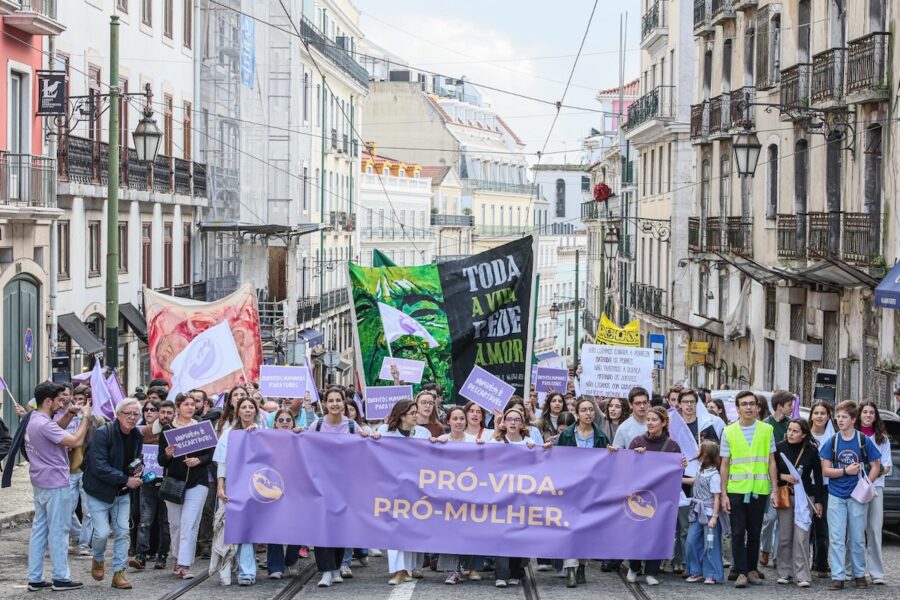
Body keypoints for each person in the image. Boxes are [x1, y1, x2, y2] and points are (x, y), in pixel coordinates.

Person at [26, 381, 92, 592]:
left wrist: (71, 414)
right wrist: (85, 417)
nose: (61, 403)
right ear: (47, 401)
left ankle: (35, 578)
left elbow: (56, 430)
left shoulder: (35, 419)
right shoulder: (44, 423)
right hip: (55, 482)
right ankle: (61, 577)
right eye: (58, 400)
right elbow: (74, 441)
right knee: (59, 530)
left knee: (39, 530)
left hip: (40, 481)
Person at [81, 398, 144, 590]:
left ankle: (119, 573)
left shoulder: (137, 435)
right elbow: (99, 466)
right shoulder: (103, 434)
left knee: (123, 533)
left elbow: (137, 457)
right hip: (98, 491)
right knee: (101, 534)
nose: (132, 418)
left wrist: (138, 468)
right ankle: (98, 559)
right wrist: (126, 479)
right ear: (118, 414)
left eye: (136, 414)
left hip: (122, 493)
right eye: (128, 413)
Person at [819, 400, 881, 590]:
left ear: (853, 419)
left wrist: (866, 484)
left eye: (844, 417)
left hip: (857, 496)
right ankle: (838, 576)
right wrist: (846, 471)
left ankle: (859, 574)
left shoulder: (863, 440)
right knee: (837, 537)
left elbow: (876, 466)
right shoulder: (833, 441)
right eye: (838, 417)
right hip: (836, 495)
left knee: (857, 537)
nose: (840, 420)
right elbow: (826, 471)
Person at [307, 387, 365, 587]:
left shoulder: (352, 427)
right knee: (322, 527)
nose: (334, 404)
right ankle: (325, 571)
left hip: (345, 486)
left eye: (338, 400)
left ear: (343, 403)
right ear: (324, 403)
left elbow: (362, 452)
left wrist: (370, 438)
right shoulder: (317, 425)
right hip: (321, 485)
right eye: (330, 400)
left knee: (340, 527)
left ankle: (337, 567)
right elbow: (305, 449)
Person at [720, 389, 778, 589]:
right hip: (736, 489)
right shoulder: (728, 431)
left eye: (751, 403)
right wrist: (724, 493)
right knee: (737, 532)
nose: (748, 407)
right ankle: (740, 572)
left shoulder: (766, 430)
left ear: (757, 407)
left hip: (759, 489)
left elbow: (771, 461)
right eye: (744, 404)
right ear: (737, 408)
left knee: (755, 532)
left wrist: (775, 489)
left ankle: (752, 569)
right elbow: (725, 464)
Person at [623, 406, 686, 586]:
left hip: (662, 497)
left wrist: (681, 465)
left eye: (654, 420)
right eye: (648, 420)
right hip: (639, 496)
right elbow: (626, 467)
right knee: (637, 531)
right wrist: (636, 457)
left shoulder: (673, 446)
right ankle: (634, 567)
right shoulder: (637, 442)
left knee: (658, 532)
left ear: (664, 422)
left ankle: (652, 570)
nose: (650, 423)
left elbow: (677, 474)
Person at [554, 398, 611, 587]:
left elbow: (608, 466)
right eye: (584, 410)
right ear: (577, 414)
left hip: (592, 491)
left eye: (590, 410)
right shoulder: (567, 435)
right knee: (569, 529)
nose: (588, 413)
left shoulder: (601, 437)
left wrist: (613, 454)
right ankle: (570, 568)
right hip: (571, 489)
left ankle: (582, 566)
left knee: (587, 530)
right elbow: (556, 458)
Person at [158, 393, 215, 579]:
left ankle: (184, 564)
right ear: (178, 407)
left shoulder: (201, 428)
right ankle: (177, 557)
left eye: (192, 404)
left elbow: (210, 455)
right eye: (186, 404)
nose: (190, 407)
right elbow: (161, 462)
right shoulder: (167, 429)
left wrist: (198, 460)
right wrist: (167, 455)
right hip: (175, 484)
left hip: (197, 482)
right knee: (175, 525)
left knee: (189, 524)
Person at [375, 400, 428, 584]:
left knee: (410, 528)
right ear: (402, 415)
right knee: (394, 527)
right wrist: (370, 437)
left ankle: (408, 569)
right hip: (391, 487)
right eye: (413, 412)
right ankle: (398, 570)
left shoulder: (423, 433)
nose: (417, 415)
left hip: (414, 489)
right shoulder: (384, 432)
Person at [433, 406, 484, 585]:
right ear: (448, 421)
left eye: (462, 418)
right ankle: (453, 571)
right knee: (450, 533)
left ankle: (472, 567)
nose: (459, 422)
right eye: (455, 419)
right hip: (447, 496)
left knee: (471, 530)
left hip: (470, 494)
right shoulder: (441, 440)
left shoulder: (474, 441)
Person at [213, 395, 260, 586]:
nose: (247, 410)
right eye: (244, 407)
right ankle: (246, 572)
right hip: (234, 486)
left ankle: (244, 566)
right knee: (238, 528)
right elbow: (222, 462)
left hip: (256, 488)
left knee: (251, 529)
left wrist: (257, 436)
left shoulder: (263, 432)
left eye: (251, 407)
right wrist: (220, 486)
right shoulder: (228, 434)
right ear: (237, 411)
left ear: (256, 411)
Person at [490, 408, 538, 587]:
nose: (512, 422)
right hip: (501, 495)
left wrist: (536, 451)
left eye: (516, 419)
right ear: (504, 422)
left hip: (522, 498)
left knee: (519, 534)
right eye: (509, 419)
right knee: (502, 534)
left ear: (522, 424)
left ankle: (516, 571)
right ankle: (501, 574)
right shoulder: (495, 442)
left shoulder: (529, 442)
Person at [774, 418, 824, 588]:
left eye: (795, 431)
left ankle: (802, 574)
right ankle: (784, 572)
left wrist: (818, 502)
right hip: (785, 495)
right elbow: (771, 472)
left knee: (802, 537)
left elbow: (818, 477)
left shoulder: (811, 450)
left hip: (805, 498)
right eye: (789, 430)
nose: (791, 433)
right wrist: (783, 477)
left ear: (803, 434)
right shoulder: (779, 448)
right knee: (785, 536)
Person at [133, 400, 174, 571]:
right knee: (145, 521)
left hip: (168, 483)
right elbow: (138, 451)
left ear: (174, 414)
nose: (165, 416)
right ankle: (141, 555)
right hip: (149, 482)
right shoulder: (146, 431)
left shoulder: (177, 431)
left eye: (169, 413)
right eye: (162, 412)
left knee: (166, 522)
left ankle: (162, 556)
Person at [856, 401, 891, 585]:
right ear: (859, 414)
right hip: (854, 487)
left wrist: (872, 471)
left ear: (875, 416)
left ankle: (877, 572)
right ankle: (852, 569)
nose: (868, 415)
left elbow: (887, 466)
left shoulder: (882, 439)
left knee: (874, 530)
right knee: (854, 530)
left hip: (875, 487)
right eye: (865, 412)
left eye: (872, 412)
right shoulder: (852, 435)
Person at [759, 391, 793, 568]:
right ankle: (764, 548)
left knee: (782, 519)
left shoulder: (791, 426)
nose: (792, 407)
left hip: (786, 480)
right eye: (789, 404)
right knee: (769, 518)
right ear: (779, 406)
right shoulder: (765, 425)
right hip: (768, 477)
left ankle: (778, 554)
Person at [684, 440, 724, 584]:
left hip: (708, 513)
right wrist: (680, 479)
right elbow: (695, 481)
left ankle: (711, 573)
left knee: (710, 544)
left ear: (707, 455)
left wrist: (714, 516)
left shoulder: (714, 475)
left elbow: (717, 497)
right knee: (691, 541)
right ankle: (696, 570)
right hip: (697, 511)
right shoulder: (701, 469)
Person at [808, 400, 834, 578]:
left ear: (828, 416)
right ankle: (803, 562)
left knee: (822, 526)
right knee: (805, 527)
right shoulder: (805, 434)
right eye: (816, 413)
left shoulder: (833, 437)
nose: (819, 416)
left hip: (826, 486)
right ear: (811, 415)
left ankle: (822, 564)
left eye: (822, 413)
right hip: (805, 486)